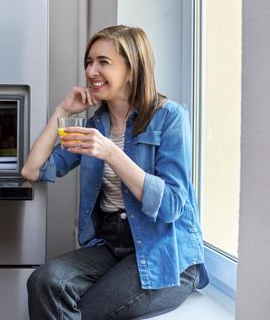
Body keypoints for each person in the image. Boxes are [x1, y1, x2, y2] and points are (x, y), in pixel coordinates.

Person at [22, 25, 208, 319]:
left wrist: (110, 152)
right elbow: (33, 170)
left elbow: (172, 205)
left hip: (166, 253)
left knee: (84, 311)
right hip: (112, 245)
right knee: (44, 281)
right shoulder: (96, 125)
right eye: (88, 62)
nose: (91, 71)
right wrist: (61, 112)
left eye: (103, 62)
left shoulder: (169, 117)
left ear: (132, 69)